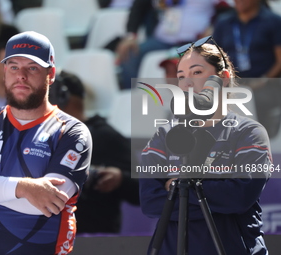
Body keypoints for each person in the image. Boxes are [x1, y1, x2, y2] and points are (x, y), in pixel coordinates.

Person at [0, 31, 92, 254]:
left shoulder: (72, 131)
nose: (21, 75)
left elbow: (46, 202)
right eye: (14, 66)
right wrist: (25, 187)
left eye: (32, 67)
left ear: (51, 73)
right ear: (4, 72)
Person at [139, 35, 271, 254]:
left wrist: (176, 188)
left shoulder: (249, 132)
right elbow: (150, 201)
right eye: (181, 76)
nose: (187, 83)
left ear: (223, 78)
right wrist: (212, 191)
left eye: (197, 73)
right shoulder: (164, 134)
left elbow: (239, 197)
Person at [49, 70, 140, 234]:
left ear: (59, 97)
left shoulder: (106, 137)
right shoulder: (39, 139)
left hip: (93, 240)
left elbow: (143, 189)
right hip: (48, 238)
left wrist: (120, 179)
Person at [115, 0, 227, 89]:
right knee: (130, 53)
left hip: (194, 41)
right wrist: (131, 35)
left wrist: (214, 27)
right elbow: (139, 6)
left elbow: (229, 10)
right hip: (162, 39)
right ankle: (130, 101)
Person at [213, 0, 281, 136]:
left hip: (264, 82)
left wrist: (264, 80)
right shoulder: (223, 22)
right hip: (232, 81)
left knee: (253, 102)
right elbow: (214, 56)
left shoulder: (273, 21)